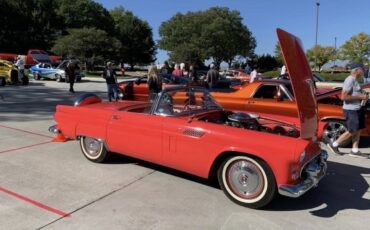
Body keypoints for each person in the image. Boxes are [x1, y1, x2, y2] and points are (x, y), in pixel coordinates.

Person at [327, 62, 369, 158]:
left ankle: (355, 150)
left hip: (357, 108)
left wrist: (363, 95)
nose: (364, 70)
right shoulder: (349, 80)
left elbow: (354, 93)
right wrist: (360, 96)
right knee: (353, 130)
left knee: (357, 130)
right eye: (363, 69)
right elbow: (344, 97)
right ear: (357, 70)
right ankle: (334, 144)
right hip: (351, 110)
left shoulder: (355, 80)